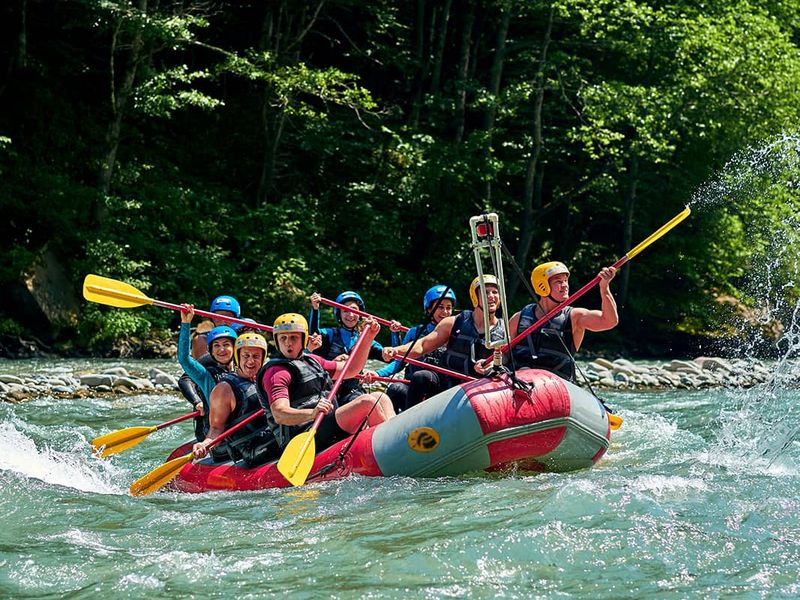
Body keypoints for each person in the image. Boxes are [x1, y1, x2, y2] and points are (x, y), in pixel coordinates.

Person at [258, 313, 395, 453]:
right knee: (366, 402)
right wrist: (312, 413)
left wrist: (368, 337)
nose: (288, 342)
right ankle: (391, 449)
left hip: (326, 422)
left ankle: (395, 438)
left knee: (380, 396)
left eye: (293, 337)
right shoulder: (276, 373)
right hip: (304, 432)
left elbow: (352, 369)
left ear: (304, 339)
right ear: (277, 341)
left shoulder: (313, 361)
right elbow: (280, 414)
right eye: (283, 338)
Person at [382, 275, 506, 406]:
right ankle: (410, 423)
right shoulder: (453, 322)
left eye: (495, 292)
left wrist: (491, 365)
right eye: (485, 292)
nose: (491, 296)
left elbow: (507, 358)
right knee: (421, 377)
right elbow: (423, 345)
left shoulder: (505, 329)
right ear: (475, 297)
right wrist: (396, 350)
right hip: (446, 383)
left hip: (477, 387)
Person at [508, 261, 618, 382]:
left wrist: (604, 288)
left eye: (566, 281)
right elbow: (502, 352)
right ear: (542, 286)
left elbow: (609, 321)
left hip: (556, 384)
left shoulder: (575, 317)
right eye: (559, 282)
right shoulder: (519, 318)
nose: (565, 285)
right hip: (521, 380)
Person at [308, 290, 400, 404]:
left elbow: (397, 360)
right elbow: (314, 335)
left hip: (353, 391)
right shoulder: (330, 334)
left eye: (354, 310)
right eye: (345, 311)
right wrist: (315, 309)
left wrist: (395, 333)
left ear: (360, 314)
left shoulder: (366, 340)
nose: (350, 315)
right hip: (328, 390)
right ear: (339, 314)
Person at [192, 332, 271, 462]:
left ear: (263, 358)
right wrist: (205, 444)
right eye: (246, 356)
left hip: (265, 436)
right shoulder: (224, 389)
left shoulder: (264, 379)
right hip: (246, 448)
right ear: (237, 357)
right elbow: (216, 428)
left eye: (256, 356)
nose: (251, 361)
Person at [384, 284, 456, 412]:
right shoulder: (414, 333)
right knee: (396, 389)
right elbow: (399, 363)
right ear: (429, 309)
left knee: (421, 376)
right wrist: (376, 374)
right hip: (414, 389)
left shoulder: (456, 334)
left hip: (441, 390)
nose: (445, 312)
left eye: (448, 308)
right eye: (440, 307)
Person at [178, 304, 238, 440]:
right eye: (216, 345)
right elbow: (184, 359)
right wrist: (186, 323)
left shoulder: (244, 370)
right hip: (220, 436)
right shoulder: (206, 376)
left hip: (242, 431)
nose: (221, 349)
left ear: (235, 348)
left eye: (226, 344)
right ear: (211, 351)